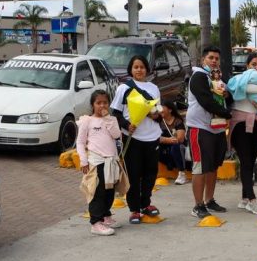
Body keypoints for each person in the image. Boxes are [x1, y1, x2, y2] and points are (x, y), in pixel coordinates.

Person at [111, 55, 162, 224]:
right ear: (131, 70)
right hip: (133, 138)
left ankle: (146, 204)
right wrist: (126, 125)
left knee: (150, 173)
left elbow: (158, 112)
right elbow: (115, 113)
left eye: (142, 67)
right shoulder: (124, 88)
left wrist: (155, 116)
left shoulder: (154, 88)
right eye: (135, 67)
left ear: (147, 69)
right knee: (133, 174)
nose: (139, 70)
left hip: (152, 137)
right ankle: (134, 209)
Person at [185, 46, 233, 219]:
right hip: (200, 128)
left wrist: (227, 95)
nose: (214, 61)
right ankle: (198, 205)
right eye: (211, 58)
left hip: (217, 128)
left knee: (213, 166)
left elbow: (228, 97)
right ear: (203, 59)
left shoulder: (216, 78)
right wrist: (228, 114)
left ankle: (209, 200)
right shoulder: (198, 77)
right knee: (200, 167)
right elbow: (206, 101)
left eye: (216, 59)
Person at [227, 52, 257, 215]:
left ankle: (245, 198)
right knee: (245, 161)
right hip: (240, 125)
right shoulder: (238, 79)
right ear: (247, 66)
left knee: (250, 161)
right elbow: (238, 89)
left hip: (255, 124)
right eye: (254, 64)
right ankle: (252, 200)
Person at [77, 90, 126, 236]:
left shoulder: (112, 120)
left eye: (105, 102)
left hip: (111, 161)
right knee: (97, 192)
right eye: (98, 103)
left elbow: (116, 135)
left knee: (109, 191)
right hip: (96, 161)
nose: (102, 105)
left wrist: (108, 119)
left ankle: (105, 216)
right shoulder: (87, 121)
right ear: (93, 105)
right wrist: (83, 160)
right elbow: (80, 142)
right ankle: (96, 222)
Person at [158, 101, 188, 185]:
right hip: (164, 149)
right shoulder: (159, 121)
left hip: (178, 148)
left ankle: (182, 174)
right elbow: (154, 137)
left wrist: (163, 139)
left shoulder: (177, 121)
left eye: (163, 108)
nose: (160, 110)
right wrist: (167, 140)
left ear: (170, 110)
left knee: (176, 147)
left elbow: (180, 139)